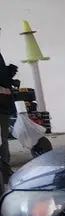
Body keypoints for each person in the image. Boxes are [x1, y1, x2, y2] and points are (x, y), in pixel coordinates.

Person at [0, 29, 18, 189]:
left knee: (3, 139)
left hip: (3, 104)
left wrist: (9, 75)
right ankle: (4, 172)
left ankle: (5, 171)